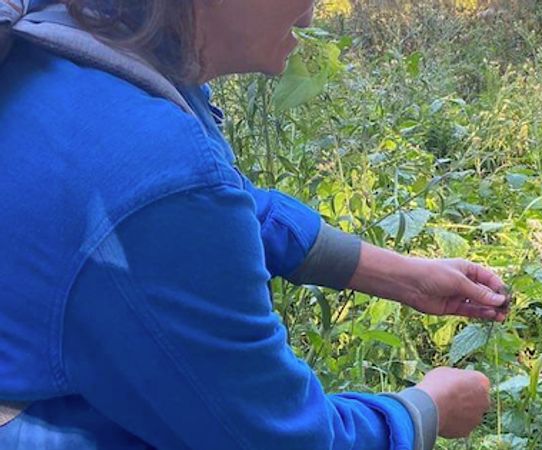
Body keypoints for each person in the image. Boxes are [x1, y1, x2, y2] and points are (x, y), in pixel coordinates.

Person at [0, 0, 510, 448]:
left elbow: (220, 205)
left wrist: (402, 275)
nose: (311, 12)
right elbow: (281, 440)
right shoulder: (148, 170)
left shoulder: (77, 42)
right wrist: (426, 409)